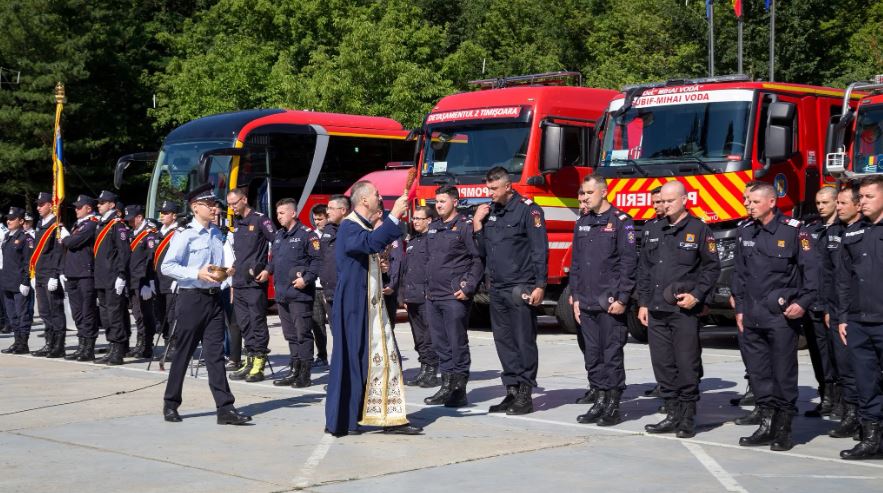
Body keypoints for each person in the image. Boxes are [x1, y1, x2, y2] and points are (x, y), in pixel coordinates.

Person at [324, 181, 422, 436]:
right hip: (354, 306)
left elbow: (369, 249)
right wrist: (394, 215)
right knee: (353, 359)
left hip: (370, 305)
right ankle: (346, 418)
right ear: (364, 200)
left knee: (380, 358)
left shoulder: (362, 226)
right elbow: (368, 244)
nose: (381, 197)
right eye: (377, 194)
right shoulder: (349, 226)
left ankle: (384, 416)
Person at [733, 182, 818, 452]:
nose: (749, 205)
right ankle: (766, 423)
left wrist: (803, 303)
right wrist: (739, 310)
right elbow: (739, 275)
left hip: (780, 318)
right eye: (748, 201)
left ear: (771, 202)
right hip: (752, 319)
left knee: (783, 375)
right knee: (759, 375)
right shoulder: (745, 231)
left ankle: (783, 428)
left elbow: (812, 272)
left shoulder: (794, 231)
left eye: (755, 202)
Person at [160, 184, 251, 426]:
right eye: (209, 205)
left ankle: (225, 408)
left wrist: (227, 272)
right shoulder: (185, 234)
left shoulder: (216, 234)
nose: (215, 208)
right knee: (183, 352)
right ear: (195, 207)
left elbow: (220, 264)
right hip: (191, 299)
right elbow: (167, 266)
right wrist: (196, 273)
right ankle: (171, 403)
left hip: (214, 299)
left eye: (215, 204)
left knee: (215, 356)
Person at [638, 181, 720, 438]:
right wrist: (642, 303)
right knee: (663, 365)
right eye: (662, 200)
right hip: (657, 309)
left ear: (684, 200)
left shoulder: (698, 229)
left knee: (686, 363)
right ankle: (671, 413)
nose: (665, 205)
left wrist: (697, 296)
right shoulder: (653, 229)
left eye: (670, 200)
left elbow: (711, 268)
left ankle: (686, 417)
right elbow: (644, 269)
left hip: (683, 311)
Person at [473, 167, 548, 415]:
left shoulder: (529, 210)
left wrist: (540, 284)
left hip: (521, 286)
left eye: (494, 188)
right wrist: (477, 224)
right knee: (503, 341)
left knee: (523, 340)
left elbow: (539, 249)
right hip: (497, 286)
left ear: (508, 186)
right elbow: (483, 250)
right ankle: (512, 391)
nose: (489, 193)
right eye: (488, 188)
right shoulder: (491, 212)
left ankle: (526, 393)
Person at [570, 176, 637, 426]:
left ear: (604, 192)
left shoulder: (621, 222)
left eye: (589, 192)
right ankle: (598, 400)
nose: (585, 197)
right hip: (586, 302)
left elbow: (629, 264)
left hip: (610, 303)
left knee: (611, 355)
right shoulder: (583, 223)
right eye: (583, 193)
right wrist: (575, 298)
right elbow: (576, 264)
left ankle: (613, 404)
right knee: (593, 356)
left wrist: (622, 298)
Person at [423, 186, 484, 407]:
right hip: (433, 295)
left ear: (455, 202)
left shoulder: (464, 227)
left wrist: (467, 287)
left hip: (453, 296)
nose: (438, 205)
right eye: (437, 201)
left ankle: (459, 389)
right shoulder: (434, 227)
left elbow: (477, 259)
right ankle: (446, 385)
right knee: (441, 344)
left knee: (457, 342)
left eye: (443, 201)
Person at [836, 174, 883, 460]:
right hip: (858, 322)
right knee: (865, 383)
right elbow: (843, 280)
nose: (861, 202)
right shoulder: (853, 233)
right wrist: (843, 316)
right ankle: (871, 439)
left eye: (868, 197)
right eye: (861, 197)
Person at [261, 198, 321, 388]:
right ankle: (294, 369)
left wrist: (306, 279)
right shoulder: (279, 236)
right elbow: (275, 260)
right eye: (277, 213)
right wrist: (267, 270)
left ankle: (305, 372)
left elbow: (317, 261)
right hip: (282, 294)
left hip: (299, 294)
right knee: (290, 335)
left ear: (293, 213)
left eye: (282, 213)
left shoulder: (307, 235)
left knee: (302, 333)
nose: (278, 217)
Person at [226, 188, 275, 382]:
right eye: (229, 204)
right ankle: (250, 359)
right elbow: (241, 255)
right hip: (238, 281)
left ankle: (259, 363)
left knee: (257, 322)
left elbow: (278, 244)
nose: (232, 207)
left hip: (255, 283)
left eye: (235, 203)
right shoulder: (237, 223)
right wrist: (232, 268)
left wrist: (268, 269)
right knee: (244, 324)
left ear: (244, 199)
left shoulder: (261, 219)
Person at [826, 182, 862, 439]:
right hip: (837, 310)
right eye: (836, 202)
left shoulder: (866, 231)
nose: (838, 207)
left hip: (859, 311)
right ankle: (851, 415)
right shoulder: (835, 231)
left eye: (842, 203)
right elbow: (829, 275)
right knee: (844, 367)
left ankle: (866, 418)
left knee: (863, 369)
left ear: (857, 206)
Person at [802, 187, 839, 418]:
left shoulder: (843, 230)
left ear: (837, 202)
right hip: (812, 302)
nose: (821, 206)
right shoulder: (811, 229)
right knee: (818, 354)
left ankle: (840, 401)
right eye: (817, 202)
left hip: (832, 304)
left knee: (836, 355)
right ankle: (825, 395)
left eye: (825, 202)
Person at [92, 190, 131, 365]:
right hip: (101, 276)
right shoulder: (102, 223)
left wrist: (122, 275)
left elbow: (123, 251)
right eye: (98, 203)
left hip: (113, 276)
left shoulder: (117, 224)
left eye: (102, 202)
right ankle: (111, 345)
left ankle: (118, 350)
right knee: (105, 314)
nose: (98, 205)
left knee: (115, 314)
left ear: (112, 204)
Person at [400, 205, 437, 388]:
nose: (414, 222)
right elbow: (406, 270)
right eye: (413, 218)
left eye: (418, 219)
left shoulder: (433, 240)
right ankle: (423, 368)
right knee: (419, 337)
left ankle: (431, 371)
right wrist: (404, 296)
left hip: (427, 296)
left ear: (429, 220)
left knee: (429, 336)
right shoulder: (413, 241)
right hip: (412, 296)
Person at [29, 192, 69, 358]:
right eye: (37, 204)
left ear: (50, 205)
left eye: (41, 204)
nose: (38, 208)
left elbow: (58, 252)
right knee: (45, 311)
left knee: (55, 310)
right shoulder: (41, 225)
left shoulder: (57, 226)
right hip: (40, 273)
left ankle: (59, 345)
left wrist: (55, 274)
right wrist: (32, 274)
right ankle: (49, 343)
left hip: (50, 274)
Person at [61, 195, 100, 361]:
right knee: (77, 313)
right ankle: (81, 345)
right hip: (73, 273)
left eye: (79, 207)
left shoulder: (91, 224)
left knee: (87, 312)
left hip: (85, 273)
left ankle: (88, 348)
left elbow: (73, 242)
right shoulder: (79, 225)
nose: (76, 210)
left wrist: (65, 237)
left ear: (88, 209)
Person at [317, 195, 350, 368]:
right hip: (330, 291)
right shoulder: (328, 229)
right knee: (336, 332)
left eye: (331, 208)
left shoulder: (353, 229)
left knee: (349, 334)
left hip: (346, 292)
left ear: (343, 210)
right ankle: (341, 370)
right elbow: (322, 259)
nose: (327, 212)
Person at [124, 205, 158, 358]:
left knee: (146, 314)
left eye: (131, 220)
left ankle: (147, 345)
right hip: (133, 280)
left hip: (143, 280)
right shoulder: (133, 233)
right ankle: (140, 343)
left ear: (139, 217)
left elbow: (150, 259)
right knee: (137, 314)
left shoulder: (149, 234)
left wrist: (147, 282)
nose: (129, 223)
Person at [0, 207, 35, 354]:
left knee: (22, 314)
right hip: (7, 281)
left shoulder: (26, 238)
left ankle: (23, 343)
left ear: (21, 221)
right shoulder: (7, 236)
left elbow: (29, 262)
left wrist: (26, 281)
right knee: (12, 315)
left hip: (19, 283)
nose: (8, 221)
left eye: (12, 218)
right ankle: (16, 341)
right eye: (8, 218)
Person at [153, 200, 181, 355]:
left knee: (172, 315)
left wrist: (177, 277)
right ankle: (166, 340)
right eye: (161, 213)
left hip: (171, 280)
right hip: (158, 280)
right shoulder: (159, 232)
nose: (162, 215)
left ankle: (174, 344)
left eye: (165, 213)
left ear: (174, 216)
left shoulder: (178, 233)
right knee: (161, 313)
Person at [311, 205, 329, 368]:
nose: (317, 222)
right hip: (315, 287)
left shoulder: (335, 234)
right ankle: (322, 356)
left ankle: (341, 356)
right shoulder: (311, 237)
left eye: (320, 219)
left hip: (331, 287)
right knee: (317, 324)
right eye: (315, 219)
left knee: (337, 325)